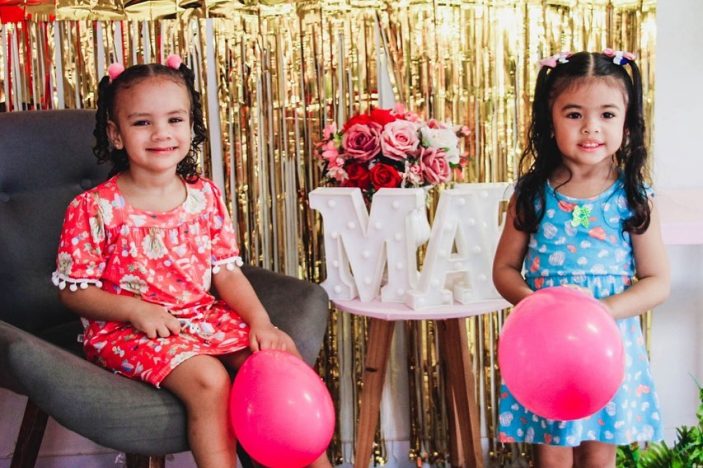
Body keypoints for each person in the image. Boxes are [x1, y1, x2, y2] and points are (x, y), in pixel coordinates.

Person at [52, 55, 332, 468]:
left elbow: (226, 272)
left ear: (190, 125)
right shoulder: (94, 207)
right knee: (209, 379)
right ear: (115, 134)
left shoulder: (205, 196)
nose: (161, 133)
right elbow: (74, 292)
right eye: (142, 122)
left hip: (200, 317)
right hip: (127, 330)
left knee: (271, 364)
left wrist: (261, 322)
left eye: (175, 119)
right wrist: (135, 310)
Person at [492, 50, 670, 467]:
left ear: (627, 124)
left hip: (606, 347)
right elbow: (503, 269)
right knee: (551, 454)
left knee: (598, 454)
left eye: (607, 114)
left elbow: (657, 281)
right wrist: (537, 307)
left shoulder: (633, 198)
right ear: (549, 120)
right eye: (574, 114)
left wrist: (601, 311)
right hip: (545, 347)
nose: (591, 127)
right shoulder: (531, 194)